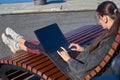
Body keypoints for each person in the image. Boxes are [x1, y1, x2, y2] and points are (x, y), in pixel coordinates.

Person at [1, 1, 120, 80]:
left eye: (99, 18)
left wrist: (67, 58)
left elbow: (82, 71)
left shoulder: (109, 41)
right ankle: (18, 43)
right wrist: (82, 48)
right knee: (50, 46)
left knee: (46, 47)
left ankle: (18, 42)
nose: (99, 22)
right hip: (80, 62)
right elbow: (99, 54)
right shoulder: (114, 34)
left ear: (104, 18)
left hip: (74, 71)